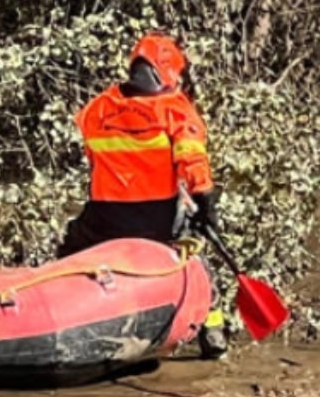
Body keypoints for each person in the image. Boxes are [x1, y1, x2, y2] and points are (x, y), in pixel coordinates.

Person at [57, 32, 228, 356]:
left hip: (105, 214)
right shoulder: (175, 110)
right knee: (195, 257)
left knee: (68, 252)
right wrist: (205, 201)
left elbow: (92, 155)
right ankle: (212, 328)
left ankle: (58, 309)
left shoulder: (100, 107)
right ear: (166, 73)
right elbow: (192, 158)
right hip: (157, 217)